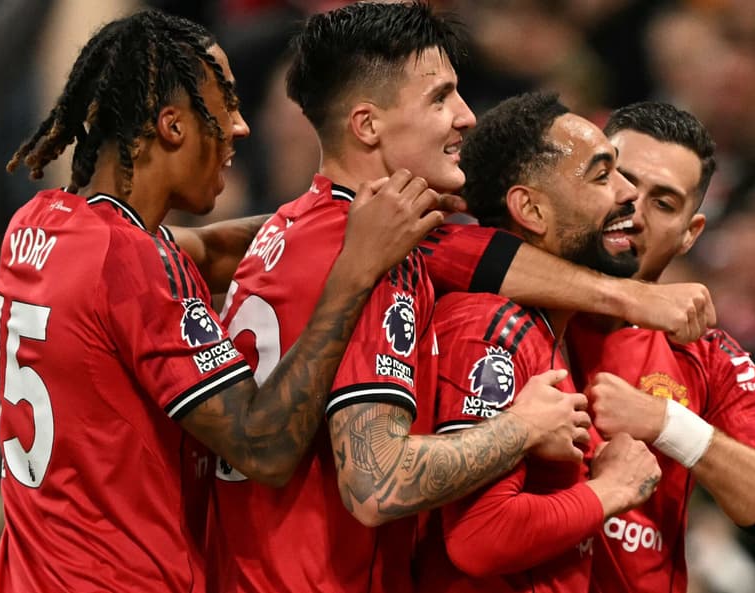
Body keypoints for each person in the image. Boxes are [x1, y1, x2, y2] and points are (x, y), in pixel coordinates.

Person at [0, 9, 456, 593]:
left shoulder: (37, 226)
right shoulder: (137, 263)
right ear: (173, 125)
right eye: (225, 103)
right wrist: (352, 272)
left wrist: (330, 216)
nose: (241, 127)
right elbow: (264, 448)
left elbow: (198, 249)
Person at [211, 4, 592, 592]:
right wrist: (523, 425)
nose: (466, 117)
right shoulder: (374, 257)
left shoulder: (285, 226)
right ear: (367, 126)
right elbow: (374, 482)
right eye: (439, 98)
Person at [564, 101, 755, 592]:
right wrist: (623, 294)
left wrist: (670, 424)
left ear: (690, 234)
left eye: (663, 204)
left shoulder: (707, 356)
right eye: (618, 180)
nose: (632, 210)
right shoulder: (504, 290)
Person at [414, 92, 663, 593]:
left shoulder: (549, 326)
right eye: (601, 175)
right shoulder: (491, 327)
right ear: (530, 209)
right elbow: (479, 536)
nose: (627, 192)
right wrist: (609, 490)